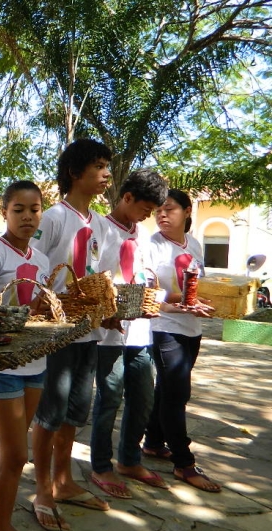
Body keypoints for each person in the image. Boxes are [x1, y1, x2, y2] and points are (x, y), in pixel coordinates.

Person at [28, 138, 112, 531]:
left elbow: (93, 274)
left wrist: (105, 312)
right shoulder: (53, 218)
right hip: (57, 334)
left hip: (88, 332)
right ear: (76, 172)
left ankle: (64, 480)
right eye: (98, 166)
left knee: (75, 412)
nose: (106, 174)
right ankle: (41, 488)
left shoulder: (97, 223)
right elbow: (32, 266)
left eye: (107, 166)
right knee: (49, 414)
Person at [89, 169, 169, 499]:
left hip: (140, 332)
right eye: (145, 208)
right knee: (109, 398)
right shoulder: (99, 230)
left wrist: (154, 299)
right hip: (110, 334)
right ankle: (100, 466)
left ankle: (130, 459)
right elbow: (92, 279)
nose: (149, 215)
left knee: (143, 397)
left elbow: (146, 278)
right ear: (127, 198)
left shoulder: (142, 236)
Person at [0, 181, 47, 531]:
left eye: (34, 209)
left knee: (9, 453)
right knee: (14, 454)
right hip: (5, 364)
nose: (27, 217)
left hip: (36, 361)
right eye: (18, 210)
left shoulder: (40, 257)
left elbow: (40, 308)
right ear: (4, 212)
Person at [144, 189, 221, 492]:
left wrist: (203, 302)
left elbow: (198, 281)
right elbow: (152, 288)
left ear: (188, 211)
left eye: (170, 209)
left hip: (192, 327)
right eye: (158, 210)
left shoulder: (195, 244)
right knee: (178, 394)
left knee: (166, 388)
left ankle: (152, 442)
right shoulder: (152, 246)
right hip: (165, 325)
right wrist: (184, 300)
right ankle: (184, 463)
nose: (162, 214)